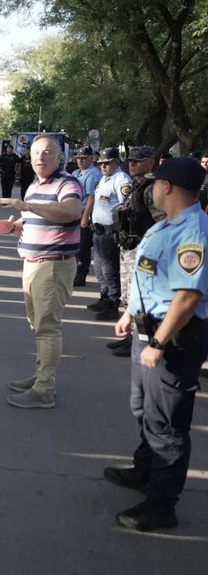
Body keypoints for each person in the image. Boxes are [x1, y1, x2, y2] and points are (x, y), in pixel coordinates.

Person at [105, 157, 208, 532]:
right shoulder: (168, 225)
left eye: (156, 183)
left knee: (167, 425)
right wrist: (130, 314)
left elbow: (187, 296)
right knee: (144, 408)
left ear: (167, 187)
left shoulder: (192, 231)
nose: (152, 189)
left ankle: (163, 504)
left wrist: (159, 343)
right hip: (148, 332)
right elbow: (151, 276)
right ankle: (144, 470)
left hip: (173, 340)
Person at [0, 134, 82, 408]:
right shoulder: (34, 185)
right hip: (33, 264)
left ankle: (44, 390)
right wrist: (16, 226)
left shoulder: (68, 183)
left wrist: (26, 206)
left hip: (53, 265)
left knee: (47, 328)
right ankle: (41, 376)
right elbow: (35, 218)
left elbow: (70, 211)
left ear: (59, 157)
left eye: (48, 153)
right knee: (38, 326)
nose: (41, 157)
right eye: (36, 153)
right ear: (29, 157)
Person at [106, 146, 166, 356]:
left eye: (138, 161)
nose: (132, 164)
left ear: (151, 162)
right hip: (130, 247)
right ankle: (130, 338)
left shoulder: (151, 188)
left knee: (140, 297)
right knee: (127, 294)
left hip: (143, 249)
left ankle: (142, 341)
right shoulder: (136, 186)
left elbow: (161, 223)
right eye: (130, 160)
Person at [89, 147, 133, 321]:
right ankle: (105, 296)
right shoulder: (104, 179)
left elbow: (125, 207)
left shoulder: (121, 179)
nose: (104, 166)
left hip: (110, 231)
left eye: (107, 163)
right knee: (99, 268)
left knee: (109, 269)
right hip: (99, 230)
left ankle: (113, 303)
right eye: (101, 163)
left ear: (117, 162)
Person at [71, 147, 100, 287]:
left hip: (84, 212)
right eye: (78, 158)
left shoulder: (93, 174)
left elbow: (91, 198)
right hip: (72, 211)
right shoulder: (75, 173)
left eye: (84, 158)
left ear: (91, 158)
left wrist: (85, 217)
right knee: (73, 243)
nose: (80, 160)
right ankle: (74, 271)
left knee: (83, 245)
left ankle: (81, 273)